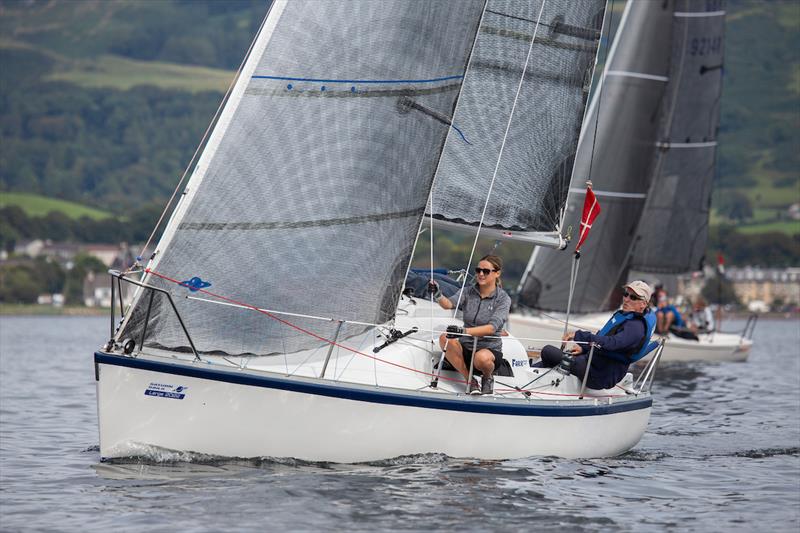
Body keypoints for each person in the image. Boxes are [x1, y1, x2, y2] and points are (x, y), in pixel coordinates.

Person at [536, 280, 656, 390]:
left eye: (633, 297)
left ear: (643, 304)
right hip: (592, 363)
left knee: (548, 351)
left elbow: (612, 344)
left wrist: (579, 335)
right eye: (626, 294)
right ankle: (527, 379)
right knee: (548, 359)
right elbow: (603, 341)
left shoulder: (635, 327)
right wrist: (584, 348)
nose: (627, 299)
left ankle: (529, 381)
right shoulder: (625, 318)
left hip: (599, 375)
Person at [429, 254, 512, 395]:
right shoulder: (468, 291)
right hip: (466, 347)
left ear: (497, 273)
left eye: (486, 271)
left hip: (489, 351)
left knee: (482, 359)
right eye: (478, 270)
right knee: (444, 338)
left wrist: (464, 331)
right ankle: (470, 381)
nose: (480, 274)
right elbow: (449, 304)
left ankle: (487, 378)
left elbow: (492, 328)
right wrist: (437, 294)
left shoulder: (503, 299)